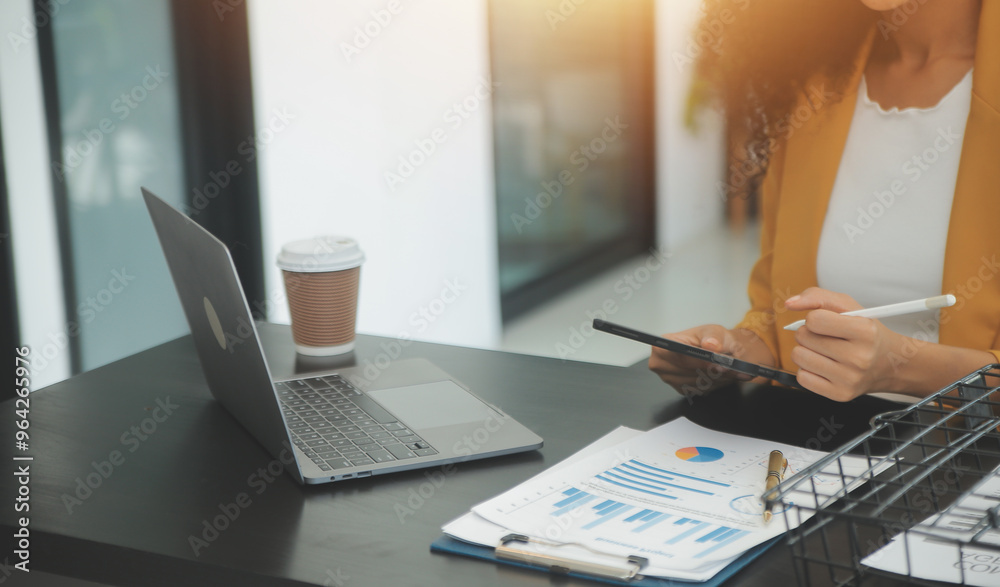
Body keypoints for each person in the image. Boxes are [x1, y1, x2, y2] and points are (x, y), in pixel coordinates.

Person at [651, 0, 1000, 402]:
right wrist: (733, 351)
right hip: (823, 448)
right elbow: (777, 314)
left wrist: (899, 367)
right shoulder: (813, 81)